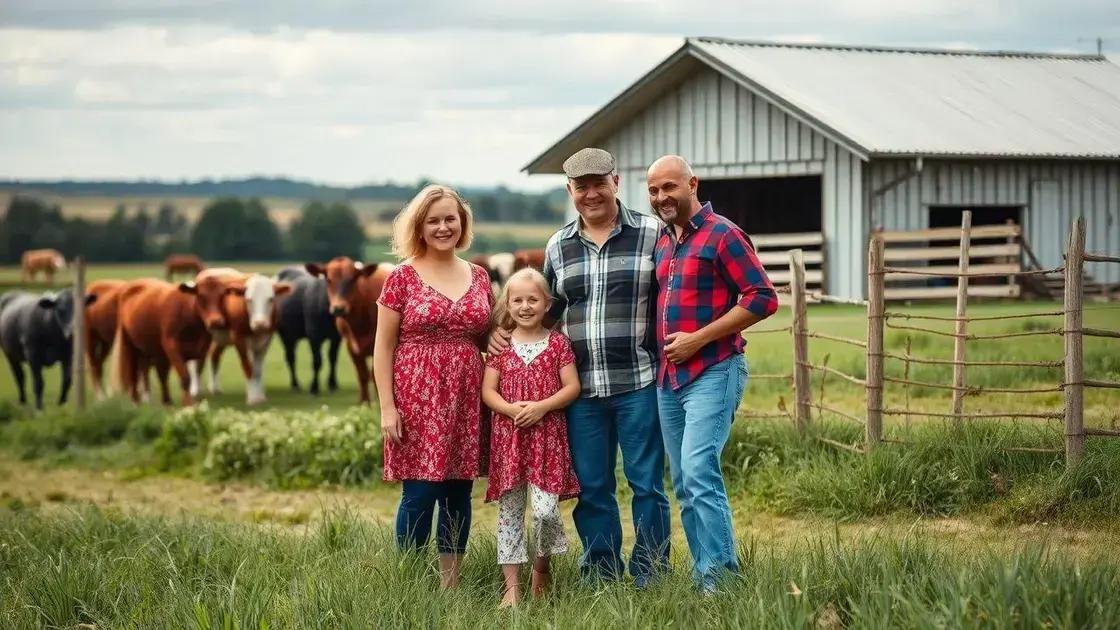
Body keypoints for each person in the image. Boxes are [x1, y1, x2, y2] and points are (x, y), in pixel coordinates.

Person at [490, 147, 671, 585]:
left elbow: (673, 298)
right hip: (580, 390)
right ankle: (601, 575)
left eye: (598, 183)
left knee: (646, 484)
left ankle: (651, 575)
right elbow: (541, 311)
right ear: (570, 190)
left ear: (615, 182)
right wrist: (501, 332)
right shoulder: (558, 245)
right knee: (593, 488)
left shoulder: (653, 234)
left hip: (639, 381)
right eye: (581, 186)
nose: (591, 193)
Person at [646, 155, 778, 592]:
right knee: (684, 481)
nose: (662, 196)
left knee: (700, 470)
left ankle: (722, 581)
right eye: (653, 190)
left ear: (692, 184)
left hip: (714, 369)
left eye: (669, 187)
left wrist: (698, 338)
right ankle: (706, 575)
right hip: (670, 379)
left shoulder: (723, 234)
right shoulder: (666, 241)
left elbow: (762, 297)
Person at [373, 184, 494, 589]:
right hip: (416, 398)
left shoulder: (479, 276)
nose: (443, 227)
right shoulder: (401, 277)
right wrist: (387, 407)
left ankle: (450, 587)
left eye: (450, 219)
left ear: (462, 224)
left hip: (465, 398)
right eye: (434, 220)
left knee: (458, 494)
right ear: (419, 227)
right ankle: (407, 583)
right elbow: (383, 347)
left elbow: (486, 337)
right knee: (421, 493)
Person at [482, 267, 581, 607]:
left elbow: (572, 387)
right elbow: (488, 392)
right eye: (518, 300)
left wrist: (541, 407)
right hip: (509, 441)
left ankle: (542, 569)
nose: (525, 306)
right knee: (510, 512)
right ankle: (511, 587)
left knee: (544, 511)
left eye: (533, 299)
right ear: (507, 305)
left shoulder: (557, 344)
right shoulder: (501, 347)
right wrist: (510, 410)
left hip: (546, 439)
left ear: (546, 303)